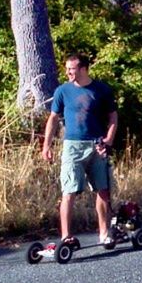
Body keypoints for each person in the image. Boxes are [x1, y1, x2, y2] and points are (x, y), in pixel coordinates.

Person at [40, 53, 118, 256]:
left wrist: (108, 140)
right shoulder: (62, 91)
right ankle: (66, 237)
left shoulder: (101, 89)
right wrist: (46, 146)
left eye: (72, 69)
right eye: (66, 69)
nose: (68, 72)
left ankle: (104, 233)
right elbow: (53, 119)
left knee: (103, 190)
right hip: (72, 146)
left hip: (97, 145)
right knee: (69, 192)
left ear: (83, 69)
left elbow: (113, 117)